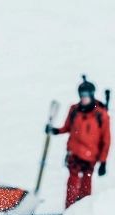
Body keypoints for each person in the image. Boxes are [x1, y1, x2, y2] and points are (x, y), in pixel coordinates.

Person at [46, 77, 111, 208]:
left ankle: (83, 210)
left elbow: (106, 140)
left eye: (86, 95)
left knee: (86, 183)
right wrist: (55, 131)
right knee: (72, 182)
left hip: (90, 155)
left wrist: (103, 162)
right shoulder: (74, 110)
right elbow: (67, 127)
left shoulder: (101, 114)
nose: (84, 98)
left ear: (92, 95)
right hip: (74, 153)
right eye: (81, 95)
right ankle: (69, 210)